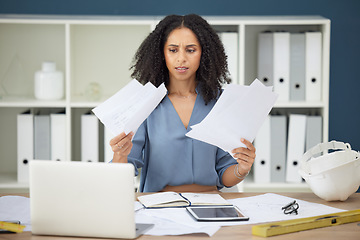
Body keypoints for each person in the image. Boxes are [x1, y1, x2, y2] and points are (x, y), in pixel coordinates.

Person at [109, 14, 256, 192]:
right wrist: (119, 154)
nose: (181, 58)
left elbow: (225, 176)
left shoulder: (220, 102)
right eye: (173, 50)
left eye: (191, 50)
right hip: (159, 206)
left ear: (204, 53)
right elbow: (124, 170)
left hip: (210, 205)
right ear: (161, 54)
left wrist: (243, 168)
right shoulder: (146, 104)